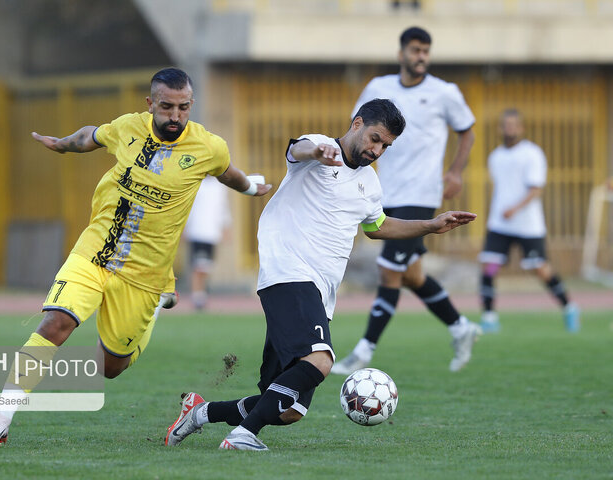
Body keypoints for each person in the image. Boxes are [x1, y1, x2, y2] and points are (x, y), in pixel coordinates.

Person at [0, 67, 272, 446]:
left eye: (183, 107)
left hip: (144, 276)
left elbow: (228, 173)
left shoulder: (208, 147)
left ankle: (161, 295)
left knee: (110, 367)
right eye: (166, 107)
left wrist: (251, 188)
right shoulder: (128, 127)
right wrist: (62, 144)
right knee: (55, 323)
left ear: (191, 105)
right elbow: (89, 137)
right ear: (151, 104)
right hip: (95, 251)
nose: (175, 116)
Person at [164, 99, 477, 451]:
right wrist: (317, 151)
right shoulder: (317, 149)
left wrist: (430, 226)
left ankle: (199, 412)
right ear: (357, 123)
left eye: (386, 145)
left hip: (321, 292)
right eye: (375, 138)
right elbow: (297, 149)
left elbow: (376, 227)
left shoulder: (370, 183)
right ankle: (241, 436)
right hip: (289, 272)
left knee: (288, 408)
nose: (377, 150)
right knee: (321, 359)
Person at [332, 26, 480, 375]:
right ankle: (461, 327)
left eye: (426, 51)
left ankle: (363, 351)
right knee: (411, 276)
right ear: (402, 53)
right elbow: (357, 130)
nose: (421, 57)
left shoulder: (445, 92)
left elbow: (468, 131)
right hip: (386, 192)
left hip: (422, 194)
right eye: (415, 50)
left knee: (389, 272)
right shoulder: (378, 88)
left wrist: (456, 172)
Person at [478, 108, 579, 333]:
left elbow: (536, 189)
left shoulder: (532, 153)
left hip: (528, 225)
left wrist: (515, 208)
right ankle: (489, 317)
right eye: (506, 125)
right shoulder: (496, 156)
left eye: (514, 125)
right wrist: (503, 211)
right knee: (489, 267)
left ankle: (569, 307)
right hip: (500, 224)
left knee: (540, 269)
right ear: (500, 128)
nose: (510, 129)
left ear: (521, 128)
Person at [183, 175, 231, 310]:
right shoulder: (196, 184)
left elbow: (223, 208)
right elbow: (189, 208)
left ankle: (201, 295)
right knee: (198, 266)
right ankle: (197, 297)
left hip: (212, 232)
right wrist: (186, 228)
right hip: (197, 231)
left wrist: (226, 227)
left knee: (206, 266)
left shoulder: (220, 186)